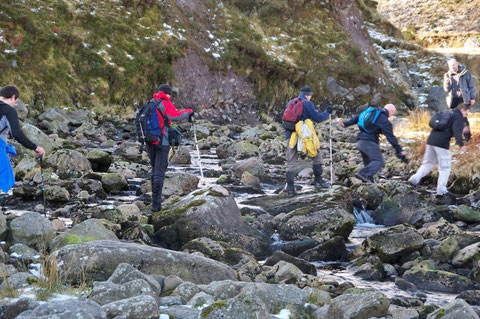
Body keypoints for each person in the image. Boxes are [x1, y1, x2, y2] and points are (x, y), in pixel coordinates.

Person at [146, 84, 194, 212]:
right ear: (167, 94)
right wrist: (189, 111)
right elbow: (176, 116)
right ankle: (156, 205)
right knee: (159, 171)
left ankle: (154, 201)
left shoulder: (150, 102)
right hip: (162, 140)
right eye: (170, 95)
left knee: (154, 169)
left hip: (149, 140)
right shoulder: (165, 103)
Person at [408, 103, 469, 197]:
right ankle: (441, 191)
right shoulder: (458, 117)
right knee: (445, 167)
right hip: (442, 143)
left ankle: (413, 180)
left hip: (431, 140)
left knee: (428, 163)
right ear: (462, 110)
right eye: (466, 113)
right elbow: (457, 132)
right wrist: (461, 145)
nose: (466, 115)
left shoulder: (448, 113)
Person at [339, 104, 407, 183]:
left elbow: (358, 117)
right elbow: (391, 137)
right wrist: (399, 150)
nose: (392, 115)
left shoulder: (373, 113)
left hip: (360, 142)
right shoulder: (384, 121)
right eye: (393, 113)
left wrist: (345, 124)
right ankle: (363, 174)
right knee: (378, 161)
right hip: (369, 143)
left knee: (369, 165)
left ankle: (368, 184)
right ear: (391, 111)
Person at [284, 86, 332, 196]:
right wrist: (327, 112)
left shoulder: (291, 102)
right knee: (316, 155)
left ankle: (290, 188)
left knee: (291, 161)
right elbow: (318, 118)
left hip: (290, 135)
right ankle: (318, 181)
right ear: (308, 95)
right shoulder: (307, 103)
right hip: (304, 135)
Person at [0, 85, 45, 193]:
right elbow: (16, 134)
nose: (14, 105)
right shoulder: (8, 110)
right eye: (15, 102)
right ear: (13, 97)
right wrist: (35, 147)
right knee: (5, 178)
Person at [443, 58, 475, 141]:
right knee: (455, 119)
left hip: (464, 100)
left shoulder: (465, 73)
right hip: (453, 100)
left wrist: (472, 98)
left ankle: (467, 137)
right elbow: (446, 89)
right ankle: (458, 137)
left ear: (457, 64)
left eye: (453, 64)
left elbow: (471, 86)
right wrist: (447, 82)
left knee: (463, 118)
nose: (452, 67)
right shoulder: (447, 75)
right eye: (450, 65)